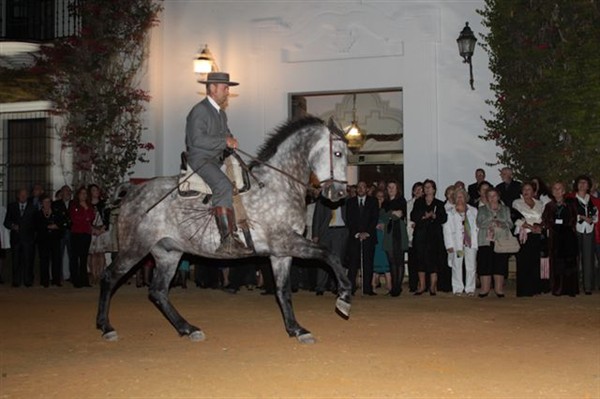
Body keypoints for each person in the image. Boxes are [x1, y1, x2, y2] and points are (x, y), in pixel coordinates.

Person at [185, 71, 251, 256]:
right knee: (223, 185)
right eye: (225, 87)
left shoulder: (221, 114)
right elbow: (197, 139)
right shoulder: (199, 110)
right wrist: (224, 142)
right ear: (212, 88)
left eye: (228, 88)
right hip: (201, 158)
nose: (228, 91)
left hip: (216, 158)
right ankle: (227, 239)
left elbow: (225, 134)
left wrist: (230, 139)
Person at [411, 179, 448, 295]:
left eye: (429, 187)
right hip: (421, 235)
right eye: (425, 187)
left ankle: (432, 286)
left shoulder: (439, 203)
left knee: (434, 261)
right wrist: (424, 216)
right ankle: (422, 286)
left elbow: (443, 218)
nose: (426, 189)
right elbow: (413, 215)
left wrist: (434, 215)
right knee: (420, 261)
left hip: (434, 237)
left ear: (434, 189)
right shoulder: (418, 202)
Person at [542, 182, 579, 296]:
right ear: (552, 191)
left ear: (564, 191)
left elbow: (573, 219)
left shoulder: (571, 203)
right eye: (555, 189)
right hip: (555, 237)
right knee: (557, 264)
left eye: (560, 189)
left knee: (569, 263)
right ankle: (558, 288)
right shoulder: (549, 205)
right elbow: (546, 220)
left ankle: (570, 289)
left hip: (568, 236)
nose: (557, 191)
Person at [476, 188, 512, 297]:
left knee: (499, 264)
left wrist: (501, 224)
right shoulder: (482, 209)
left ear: (498, 197)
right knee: (485, 264)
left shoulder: (505, 209)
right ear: (486, 198)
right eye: (489, 196)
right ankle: (484, 289)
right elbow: (479, 223)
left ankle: (499, 289)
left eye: (494, 195)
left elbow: (510, 224)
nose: (492, 198)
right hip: (485, 240)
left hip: (500, 240)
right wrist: (491, 221)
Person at [345, 181, 379, 296]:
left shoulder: (373, 201)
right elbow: (349, 219)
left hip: (368, 237)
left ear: (367, 189)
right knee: (353, 263)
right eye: (358, 187)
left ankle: (367, 288)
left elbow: (374, 218)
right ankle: (351, 288)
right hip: (354, 237)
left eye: (363, 187)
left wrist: (366, 232)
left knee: (368, 263)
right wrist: (357, 233)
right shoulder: (350, 202)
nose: (360, 189)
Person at [443, 188, 478, 296]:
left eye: (461, 196)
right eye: (457, 196)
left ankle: (470, 288)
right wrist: (449, 245)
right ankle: (458, 288)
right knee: (457, 265)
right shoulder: (449, 213)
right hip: (457, 244)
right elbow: (447, 230)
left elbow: (477, 226)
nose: (459, 198)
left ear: (465, 198)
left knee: (471, 265)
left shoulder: (473, 211)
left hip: (470, 242)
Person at [513, 182, 544, 297]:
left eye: (529, 189)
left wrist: (539, 227)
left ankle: (534, 288)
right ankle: (523, 290)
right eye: (524, 189)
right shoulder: (517, 202)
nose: (526, 191)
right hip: (523, 234)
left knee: (534, 262)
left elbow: (542, 218)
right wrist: (531, 227)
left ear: (534, 191)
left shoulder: (539, 203)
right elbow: (516, 218)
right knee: (523, 262)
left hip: (536, 235)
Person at [312, 193, 347, 296]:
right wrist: (315, 234)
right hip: (326, 232)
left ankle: (336, 286)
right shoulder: (322, 200)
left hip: (340, 231)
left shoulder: (345, 199)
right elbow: (316, 217)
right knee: (323, 260)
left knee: (338, 260)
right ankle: (320, 287)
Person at [3, 188, 36, 287]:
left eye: (25, 195)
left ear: (27, 196)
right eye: (21, 195)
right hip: (16, 239)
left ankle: (28, 281)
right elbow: (6, 222)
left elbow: (36, 224)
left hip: (28, 239)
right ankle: (16, 281)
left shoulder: (32, 207)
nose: (23, 197)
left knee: (28, 260)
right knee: (16, 261)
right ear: (18, 196)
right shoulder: (12, 206)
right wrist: (13, 226)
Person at [382, 180, 408, 297]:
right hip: (389, 233)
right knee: (391, 260)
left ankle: (398, 287)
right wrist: (393, 213)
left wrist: (390, 214)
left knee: (399, 260)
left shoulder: (401, 200)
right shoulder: (385, 202)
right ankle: (393, 286)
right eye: (389, 187)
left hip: (399, 232)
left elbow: (401, 215)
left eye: (393, 187)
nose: (391, 189)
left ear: (397, 189)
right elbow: (383, 216)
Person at [572, 175, 598, 295]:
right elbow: (570, 213)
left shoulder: (592, 199)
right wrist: (582, 217)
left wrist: (591, 219)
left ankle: (588, 287)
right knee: (575, 258)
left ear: (588, 186)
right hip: (576, 230)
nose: (582, 185)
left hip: (589, 230)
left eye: (585, 183)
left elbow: (596, 215)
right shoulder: (571, 198)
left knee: (588, 259)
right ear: (576, 185)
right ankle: (574, 286)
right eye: (580, 182)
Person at [34, 195, 64, 287]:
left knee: (56, 260)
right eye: (45, 202)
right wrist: (47, 227)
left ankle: (56, 280)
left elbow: (62, 223)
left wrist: (57, 226)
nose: (47, 204)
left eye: (49, 202)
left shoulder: (56, 212)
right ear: (41, 203)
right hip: (43, 240)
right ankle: (45, 281)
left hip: (55, 239)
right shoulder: (38, 214)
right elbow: (36, 226)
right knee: (44, 260)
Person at [69, 187, 95, 288]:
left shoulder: (89, 206)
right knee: (75, 257)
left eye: (85, 193)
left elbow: (91, 217)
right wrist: (86, 217)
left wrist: (86, 209)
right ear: (78, 195)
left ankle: (84, 280)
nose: (84, 195)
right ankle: (75, 280)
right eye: (82, 193)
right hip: (76, 233)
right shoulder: (73, 205)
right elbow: (75, 219)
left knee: (84, 258)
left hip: (86, 234)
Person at [88, 184, 110, 285]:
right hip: (91, 230)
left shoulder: (104, 204)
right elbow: (86, 219)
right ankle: (93, 275)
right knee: (93, 254)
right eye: (93, 190)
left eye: (97, 190)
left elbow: (107, 219)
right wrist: (92, 229)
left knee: (100, 253)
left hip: (102, 230)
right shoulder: (87, 204)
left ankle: (101, 275)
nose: (96, 192)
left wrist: (101, 230)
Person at [372, 189, 391, 293]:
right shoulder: (371, 209)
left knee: (386, 261)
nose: (379, 199)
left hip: (384, 238)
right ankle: (373, 286)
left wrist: (385, 226)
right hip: (375, 238)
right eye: (377, 197)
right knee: (375, 262)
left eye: (382, 197)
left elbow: (391, 223)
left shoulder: (386, 210)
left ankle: (389, 286)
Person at [406, 182, 424, 292]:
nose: (419, 192)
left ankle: (422, 285)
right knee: (412, 262)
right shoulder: (408, 204)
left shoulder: (425, 203)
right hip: (411, 235)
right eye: (416, 189)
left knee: (422, 261)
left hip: (422, 236)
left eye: (421, 190)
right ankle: (413, 285)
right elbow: (407, 219)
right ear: (413, 191)